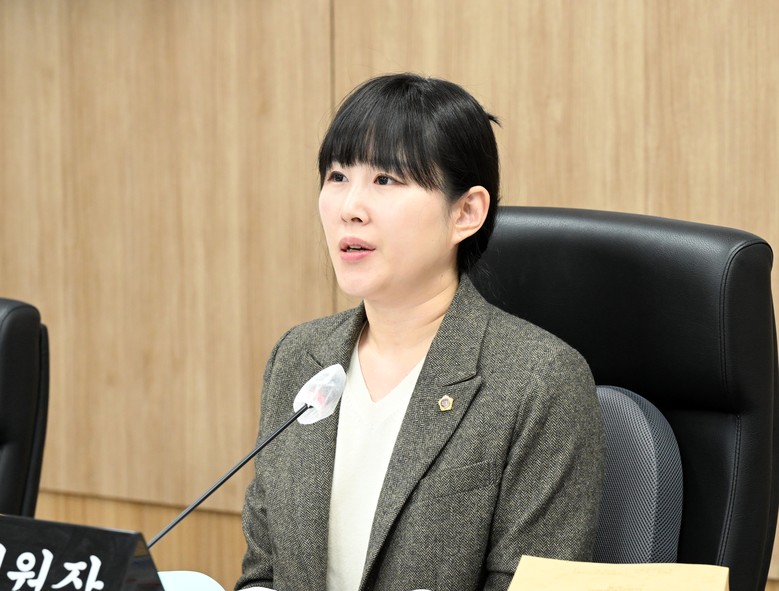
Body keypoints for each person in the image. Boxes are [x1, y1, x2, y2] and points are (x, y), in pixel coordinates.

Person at [235, 73, 605, 591]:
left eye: (385, 180)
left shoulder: (538, 382)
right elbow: (263, 571)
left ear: (466, 212)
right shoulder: (299, 358)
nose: (349, 208)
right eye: (337, 176)